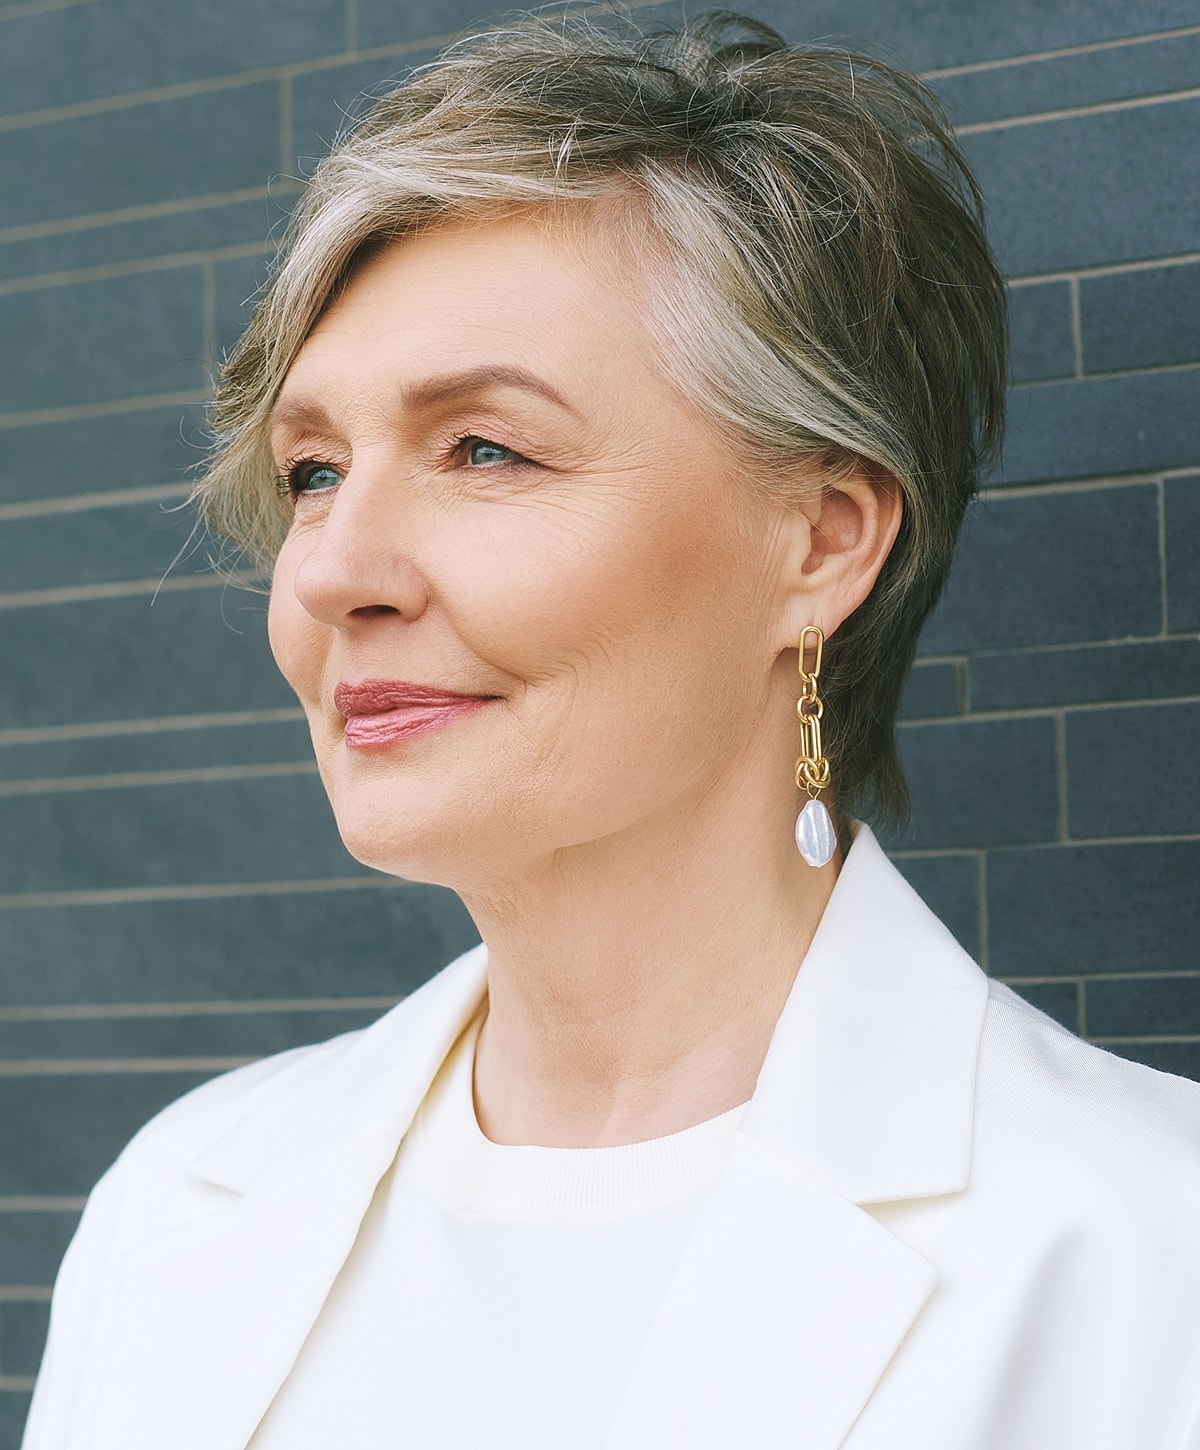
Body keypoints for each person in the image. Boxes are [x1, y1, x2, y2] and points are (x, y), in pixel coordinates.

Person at [22, 12, 1200, 1450]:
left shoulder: (1146, 1254)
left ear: (821, 541)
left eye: (486, 449)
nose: (331, 570)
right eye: (315, 469)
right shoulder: (175, 1208)